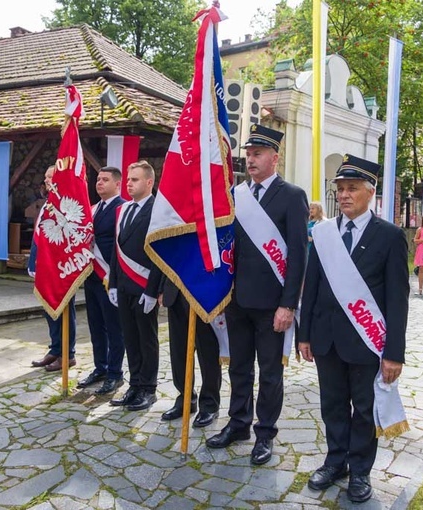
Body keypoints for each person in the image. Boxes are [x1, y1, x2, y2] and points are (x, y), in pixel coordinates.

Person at [298, 155, 409, 503]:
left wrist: (394, 352)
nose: (344, 195)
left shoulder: (389, 236)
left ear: (370, 192)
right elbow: (312, 284)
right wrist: (304, 334)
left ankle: (360, 471)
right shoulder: (325, 233)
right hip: (327, 338)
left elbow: (397, 299)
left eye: (352, 189)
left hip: (366, 341)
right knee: (332, 404)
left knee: (364, 409)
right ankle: (335, 462)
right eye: (340, 189)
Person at [205, 125, 308, 466]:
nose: (250, 159)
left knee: (269, 372)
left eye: (258, 153)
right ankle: (238, 424)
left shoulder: (292, 195)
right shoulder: (236, 194)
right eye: (248, 154)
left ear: (274, 158)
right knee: (238, 368)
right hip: (237, 300)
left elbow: (297, 254)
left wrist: (288, 304)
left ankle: (265, 434)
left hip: (272, 305)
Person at [108, 161, 163, 412]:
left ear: (149, 182)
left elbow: (158, 254)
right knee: (130, 337)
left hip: (144, 286)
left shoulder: (158, 210)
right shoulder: (124, 210)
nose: (129, 183)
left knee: (146, 339)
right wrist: (113, 283)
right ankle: (135, 384)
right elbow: (116, 250)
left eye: (135, 179)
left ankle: (148, 388)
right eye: (129, 179)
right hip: (125, 285)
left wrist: (153, 290)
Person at [76, 166, 127, 395]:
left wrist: (114, 277)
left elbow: (120, 246)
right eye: (98, 179)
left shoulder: (122, 208)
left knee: (114, 327)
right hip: (92, 276)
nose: (99, 183)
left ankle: (115, 373)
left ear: (117, 184)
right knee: (96, 326)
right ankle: (101, 367)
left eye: (105, 179)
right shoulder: (94, 208)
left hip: (110, 277)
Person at [29, 166, 77, 372]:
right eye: (46, 176)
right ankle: (55, 348)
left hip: (60, 267)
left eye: (52, 177)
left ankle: (68, 354)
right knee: (49, 309)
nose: (47, 180)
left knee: (64, 310)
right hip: (45, 266)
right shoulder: (48, 203)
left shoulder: (65, 205)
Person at [159, 277, 221, 427]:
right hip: (175, 290)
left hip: (203, 290)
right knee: (179, 350)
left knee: (207, 352)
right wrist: (160, 289)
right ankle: (185, 398)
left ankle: (209, 403)